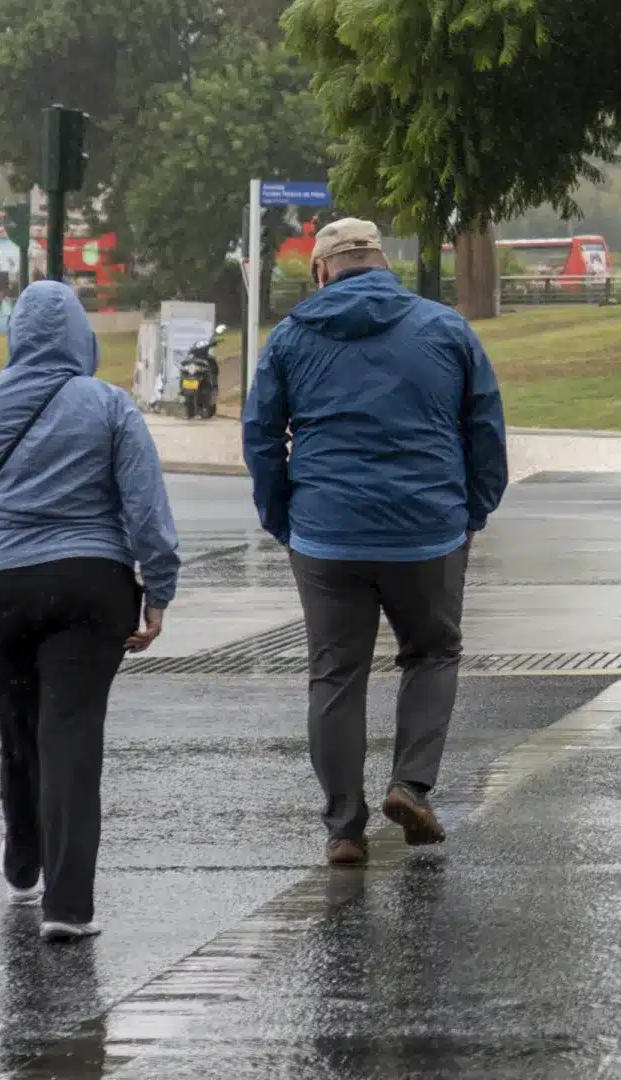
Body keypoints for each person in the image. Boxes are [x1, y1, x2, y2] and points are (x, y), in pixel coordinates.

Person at [244, 218, 508, 868]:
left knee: (335, 675)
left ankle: (343, 829)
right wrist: (472, 509)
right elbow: (486, 429)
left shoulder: (291, 338)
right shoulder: (445, 329)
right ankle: (410, 786)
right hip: (428, 530)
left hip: (327, 534)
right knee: (433, 652)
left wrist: (285, 518)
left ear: (320, 271)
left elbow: (260, 438)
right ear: (385, 265)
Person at [0, 280, 180, 943]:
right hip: (89, 582)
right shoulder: (109, 404)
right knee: (70, 733)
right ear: (79, 335)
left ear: (19, 334)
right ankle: (69, 905)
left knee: (19, 724)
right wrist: (157, 591)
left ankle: (23, 853)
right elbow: (145, 508)